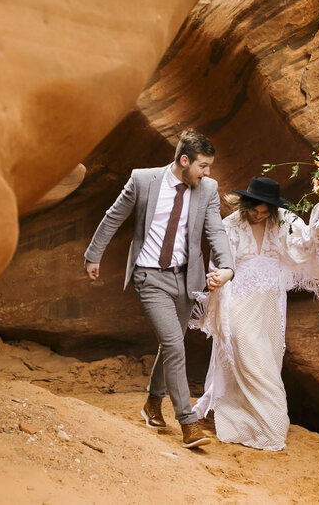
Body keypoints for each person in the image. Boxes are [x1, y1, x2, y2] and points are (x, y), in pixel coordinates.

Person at [191, 176, 319, 451]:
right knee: (244, 348)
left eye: (265, 212)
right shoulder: (229, 225)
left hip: (269, 302)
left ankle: (260, 423)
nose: (259, 215)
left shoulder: (284, 221)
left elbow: (308, 243)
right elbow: (218, 259)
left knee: (267, 358)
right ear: (245, 204)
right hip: (238, 297)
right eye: (254, 209)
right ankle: (270, 423)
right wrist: (217, 279)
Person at [83, 129, 235, 449]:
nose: (207, 173)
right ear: (184, 161)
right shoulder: (143, 180)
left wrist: (227, 267)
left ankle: (153, 402)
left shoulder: (207, 189)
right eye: (203, 166)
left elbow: (216, 231)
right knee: (174, 345)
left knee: (172, 344)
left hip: (185, 280)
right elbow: (114, 217)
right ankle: (188, 423)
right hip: (149, 276)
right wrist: (93, 255)